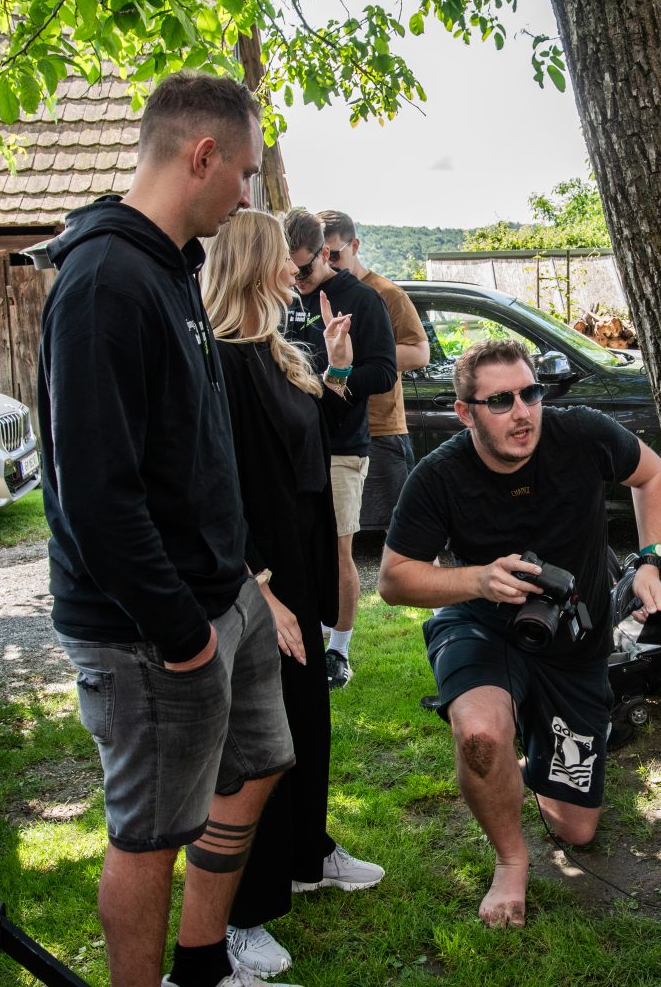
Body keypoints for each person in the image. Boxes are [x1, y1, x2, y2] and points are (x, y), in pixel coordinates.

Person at [39, 72, 293, 987]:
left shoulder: (171, 266)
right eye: (247, 173)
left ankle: (203, 963)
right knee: (147, 834)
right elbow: (95, 497)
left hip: (224, 592)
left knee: (259, 762)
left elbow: (190, 456)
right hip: (149, 626)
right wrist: (182, 632)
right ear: (203, 154)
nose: (250, 195)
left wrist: (245, 580)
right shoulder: (105, 281)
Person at [377, 339, 661, 928]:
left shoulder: (582, 433)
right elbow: (392, 580)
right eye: (500, 401)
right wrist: (478, 580)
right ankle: (510, 860)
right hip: (482, 626)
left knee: (576, 830)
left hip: (575, 644)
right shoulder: (439, 475)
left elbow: (653, 474)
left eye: (530, 394)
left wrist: (648, 561)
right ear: (465, 413)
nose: (522, 413)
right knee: (481, 736)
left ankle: (535, 737)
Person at [201, 209, 385, 981]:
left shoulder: (277, 348)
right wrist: (261, 586)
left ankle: (309, 852)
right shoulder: (219, 361)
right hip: (260, 573)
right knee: (260, 743)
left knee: (307, 714)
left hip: (300, 560)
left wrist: (336, 369)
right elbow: (213, 489)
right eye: (285, 258)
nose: (298, 269)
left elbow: (316, 433)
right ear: (254, 265)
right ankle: (241, 916)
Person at [282, 208, 398, 690]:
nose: (297, 278)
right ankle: (302, 638)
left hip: (339, 445)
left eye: (304, 268)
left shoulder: (362, 299)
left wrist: (337, 372)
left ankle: (339, 651)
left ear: (326, 254)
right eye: (289, 269)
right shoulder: (280, 294)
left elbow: (385, 372)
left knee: (336, 549)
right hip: (287, 445)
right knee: (291, 548)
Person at [317, 210, 430, 537]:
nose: (328, 263)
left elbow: (420, 352)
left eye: (334, 255)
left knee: (404, 533)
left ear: (355, 246)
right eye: (321, 255)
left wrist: (357, 354)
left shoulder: (385, 293)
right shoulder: (316, 292)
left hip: (380, 429)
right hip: (332, 430)